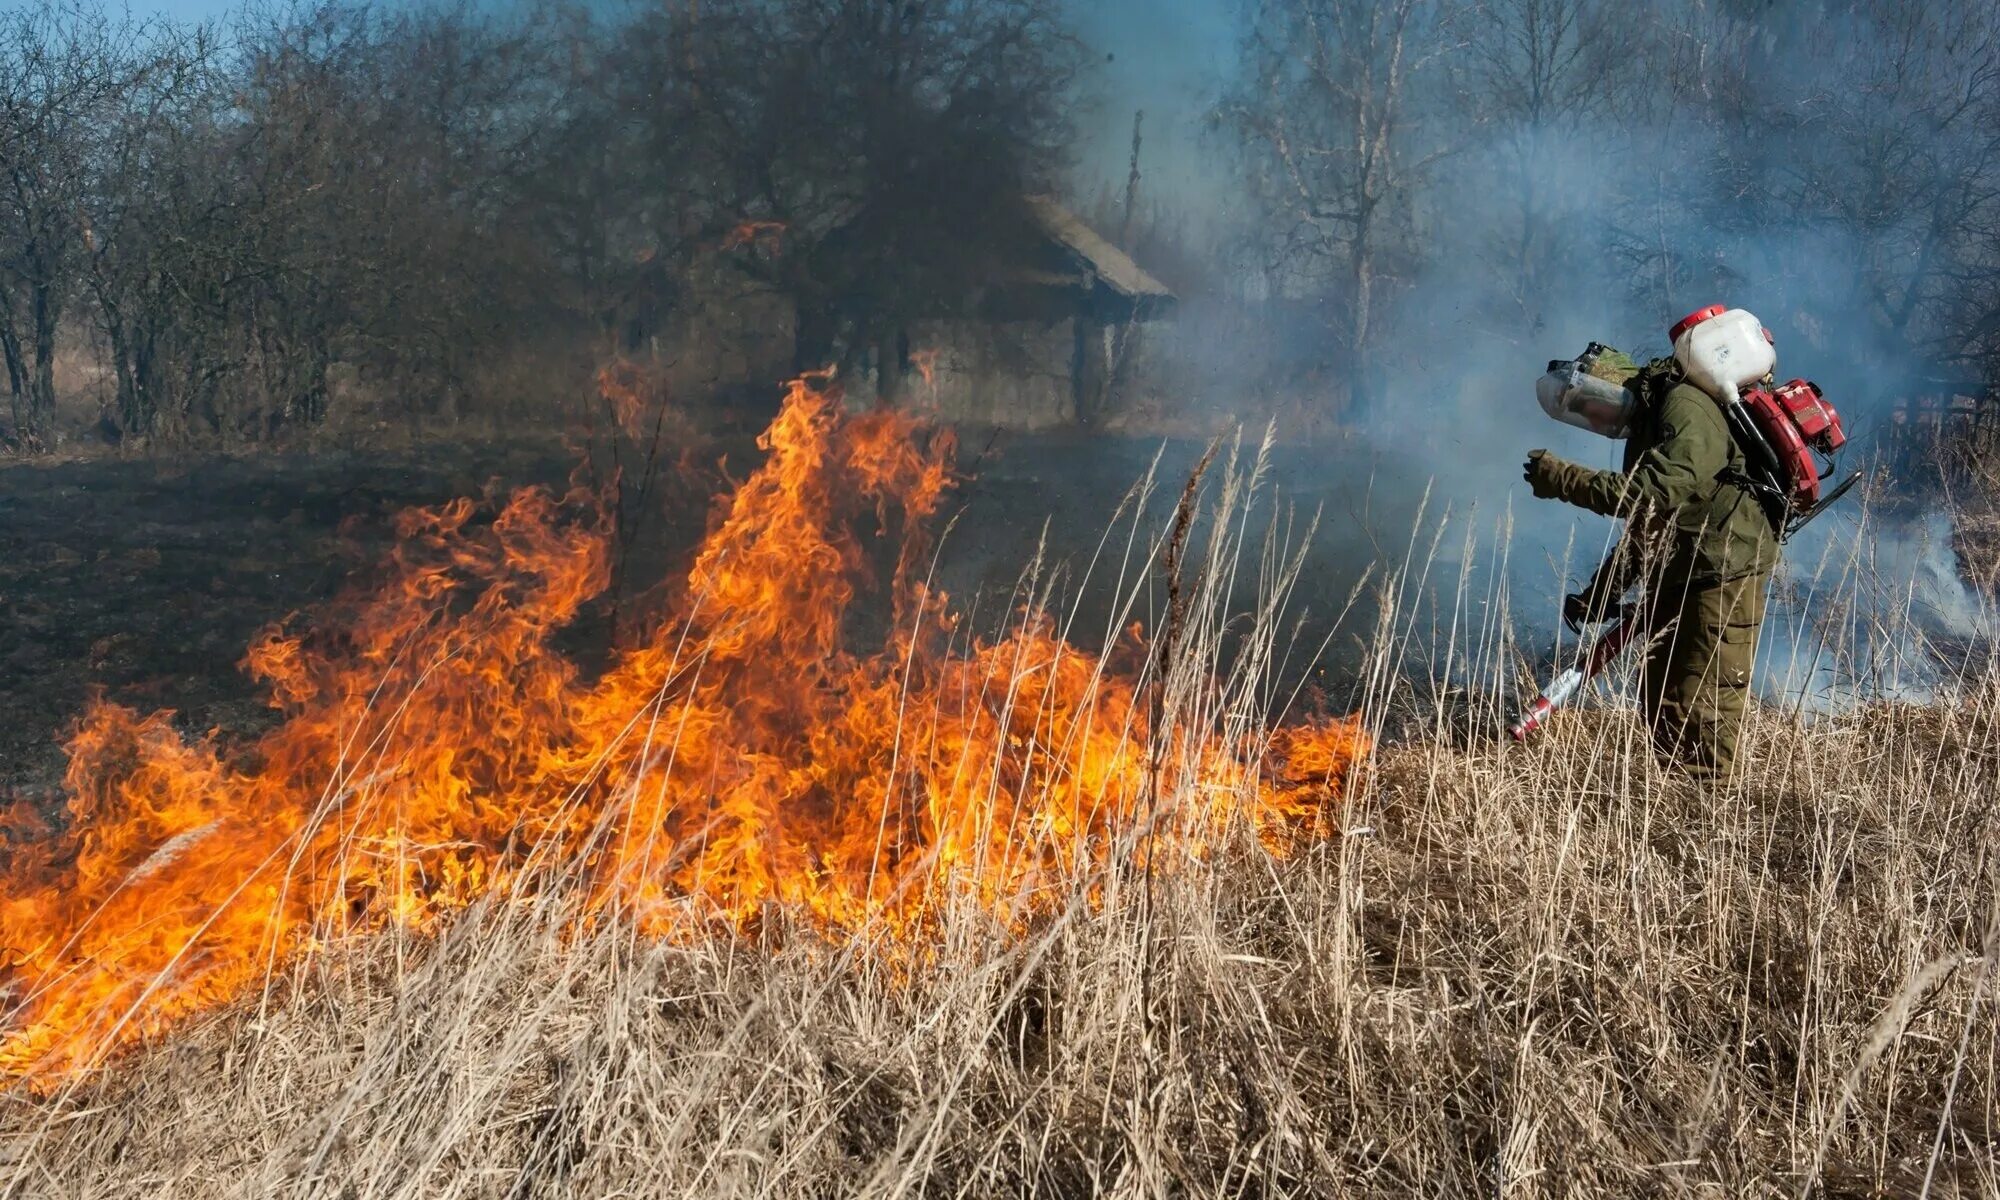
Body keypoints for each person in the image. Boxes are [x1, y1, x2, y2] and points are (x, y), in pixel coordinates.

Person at [1523, 353, 1779, 779]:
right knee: (1660, 697)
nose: (1595, 417)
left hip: (1722, 569)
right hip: (1681, 569)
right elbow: (1648, 528)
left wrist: (1564, 480)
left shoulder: (1685, 405)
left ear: (1612, 385)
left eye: (1590, 403)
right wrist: (1600, 595)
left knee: (1704, 700)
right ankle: (1676, 800)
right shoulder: (1646, 428)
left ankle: (1709, 816)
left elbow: (1655, 493)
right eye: (1584, 414)